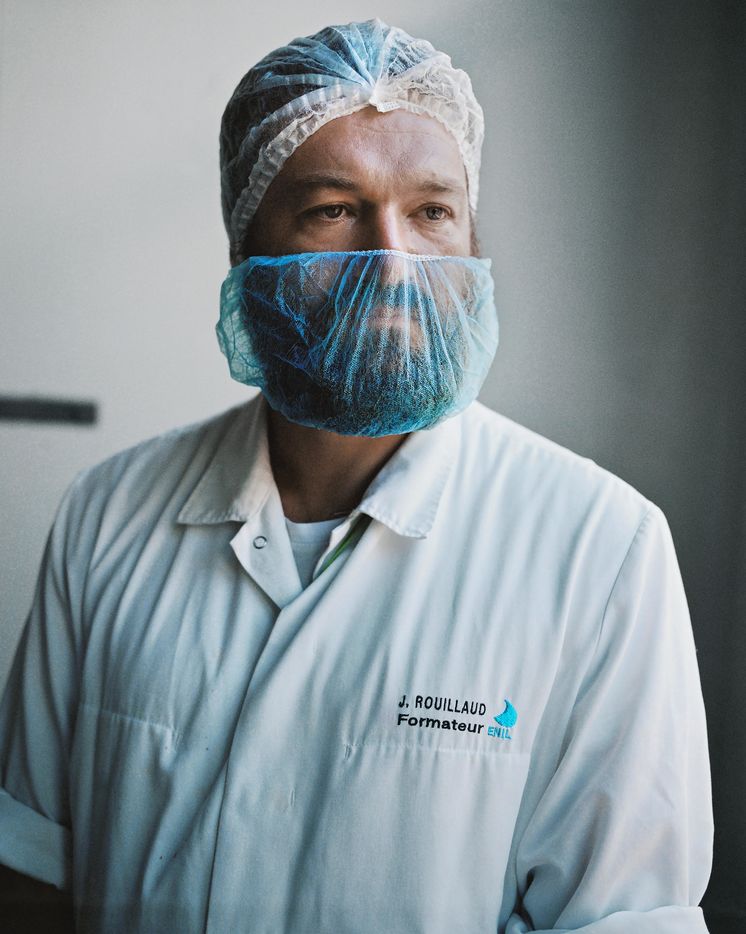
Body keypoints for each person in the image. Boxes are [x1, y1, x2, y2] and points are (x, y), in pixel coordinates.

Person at [0, 18, 713, 934]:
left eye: (432, 212)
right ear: (245, 252)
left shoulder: (601, 549)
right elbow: (31, 869)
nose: (393, 264)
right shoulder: (108, 516)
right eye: (333, 210)